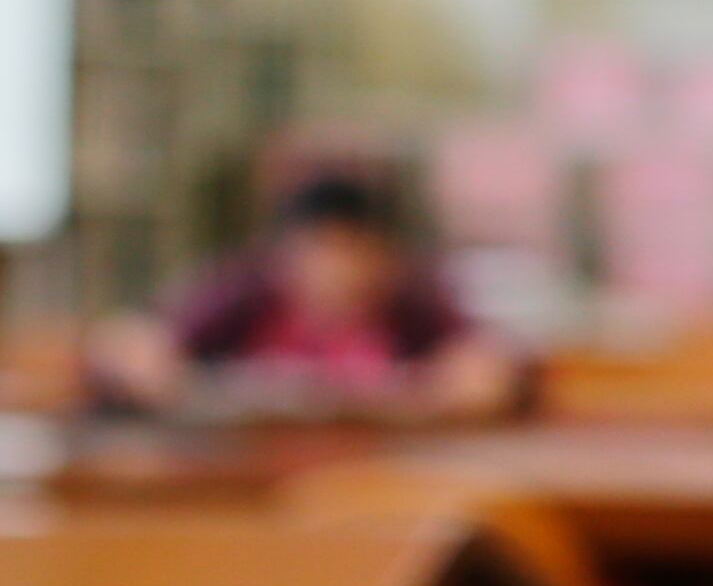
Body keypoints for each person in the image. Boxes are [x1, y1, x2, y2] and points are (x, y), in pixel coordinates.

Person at [82, 168, 525, 418]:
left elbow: (489, 362)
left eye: (351, 249)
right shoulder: (241, 294)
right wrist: (143, 363)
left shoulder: (414, 301)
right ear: (282, 251)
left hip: (379, 483)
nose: (334, 268)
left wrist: (472, 376)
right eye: (318, 248)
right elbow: (134, 342)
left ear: (385, 254)